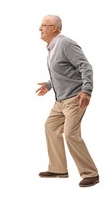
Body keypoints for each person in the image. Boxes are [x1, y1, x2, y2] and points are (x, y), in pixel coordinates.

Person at [36, 15, 99, 187]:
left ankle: (91, 173)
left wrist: (86, 90)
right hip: (60, 101)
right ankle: (58, 169)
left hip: (75, 98)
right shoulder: (51, 48)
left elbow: (85, 66)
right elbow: (64, 72)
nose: (39, 29)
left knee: (71, 134)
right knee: (50, 127)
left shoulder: (65, 44)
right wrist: (49, 85)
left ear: (55, 28)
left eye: (43, 25)